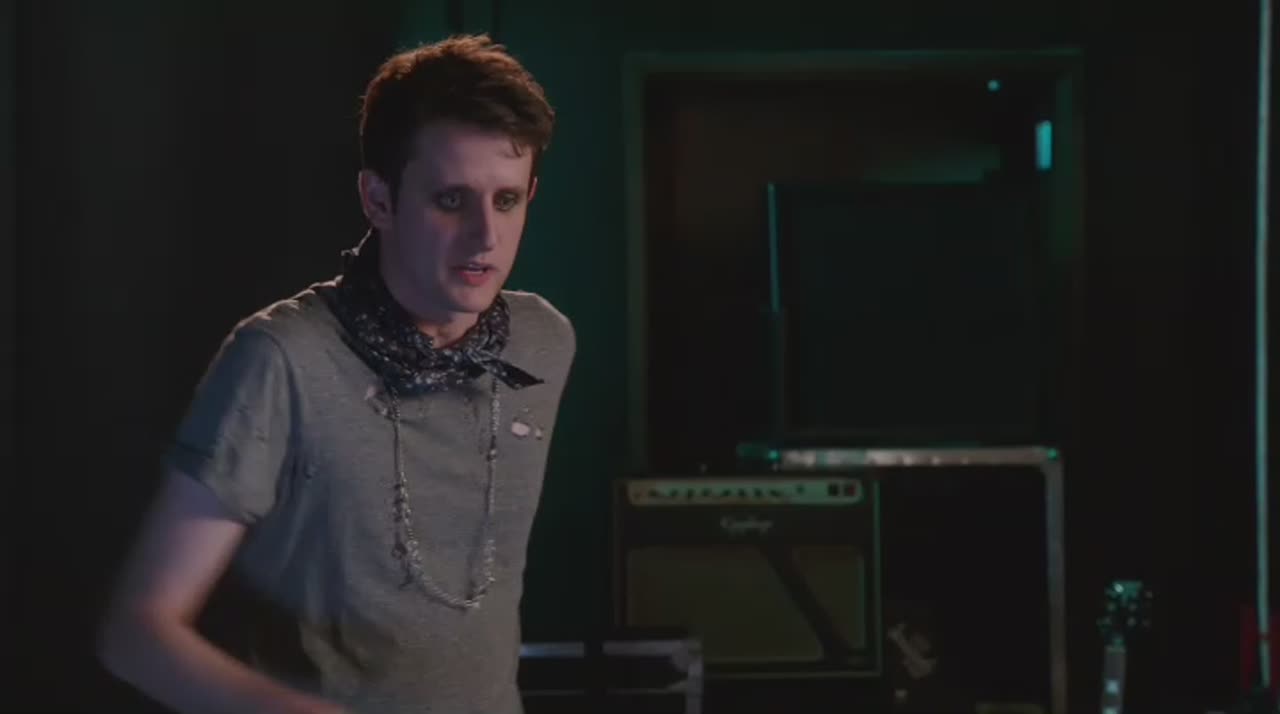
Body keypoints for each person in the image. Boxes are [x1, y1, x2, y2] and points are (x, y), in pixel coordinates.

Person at [97, 34, 575, 714]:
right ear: (378, 199)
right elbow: (138, 633)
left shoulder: (544, 342)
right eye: (450, 200)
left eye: (506, 201)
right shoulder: (282, 359)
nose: (485, 237)